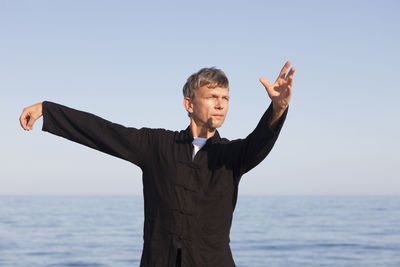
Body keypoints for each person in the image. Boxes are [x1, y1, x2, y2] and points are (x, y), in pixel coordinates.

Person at [20, 61, 295, 267]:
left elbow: (260, 140)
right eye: (212, 97)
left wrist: (278, 108)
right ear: (189, 104)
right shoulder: (156, 145)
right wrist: (47, 109)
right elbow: (104, 132)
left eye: (225, 99)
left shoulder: (232, 155)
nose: (221, 105)